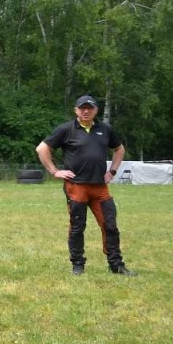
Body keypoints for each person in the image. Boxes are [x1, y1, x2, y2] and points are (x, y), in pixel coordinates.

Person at [37, 95, 134, 276]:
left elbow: (119, 149)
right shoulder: (66, 129)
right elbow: (42, 149)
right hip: (76, 187)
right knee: (77, 226)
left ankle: (116, 265)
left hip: (100, 187)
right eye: (82, 108)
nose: (86, 111)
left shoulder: (105, 129)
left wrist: (112, 171)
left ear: (96, 110)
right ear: (76, 110)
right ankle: (78, 265)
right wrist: (54, 171)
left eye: (90, 108)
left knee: (110, 225)